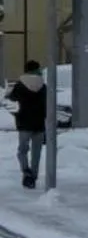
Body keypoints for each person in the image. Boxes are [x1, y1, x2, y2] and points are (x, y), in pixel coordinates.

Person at [5, 60, 48, 189]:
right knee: (37, 152)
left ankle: (26, 171)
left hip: (24, 122)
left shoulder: (20, 85)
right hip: (39, 123)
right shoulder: (43, 86)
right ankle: (33, 176)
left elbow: (12, 97)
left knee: (22, 150)